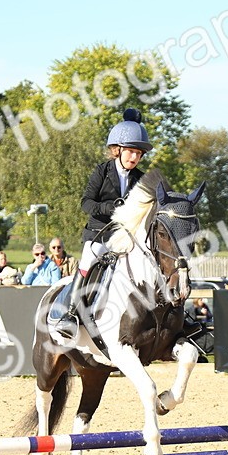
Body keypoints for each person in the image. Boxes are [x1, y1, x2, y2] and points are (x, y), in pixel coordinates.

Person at [53, 109, 150, 341]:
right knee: (89, 259)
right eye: (130, 152)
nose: (134, 158)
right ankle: (70, 315)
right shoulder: (102, 171)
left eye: (138, 153)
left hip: (126, 237)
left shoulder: (141, 178)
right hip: (99, 234)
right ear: (118, 150)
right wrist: (109, 208)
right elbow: (86, 203)